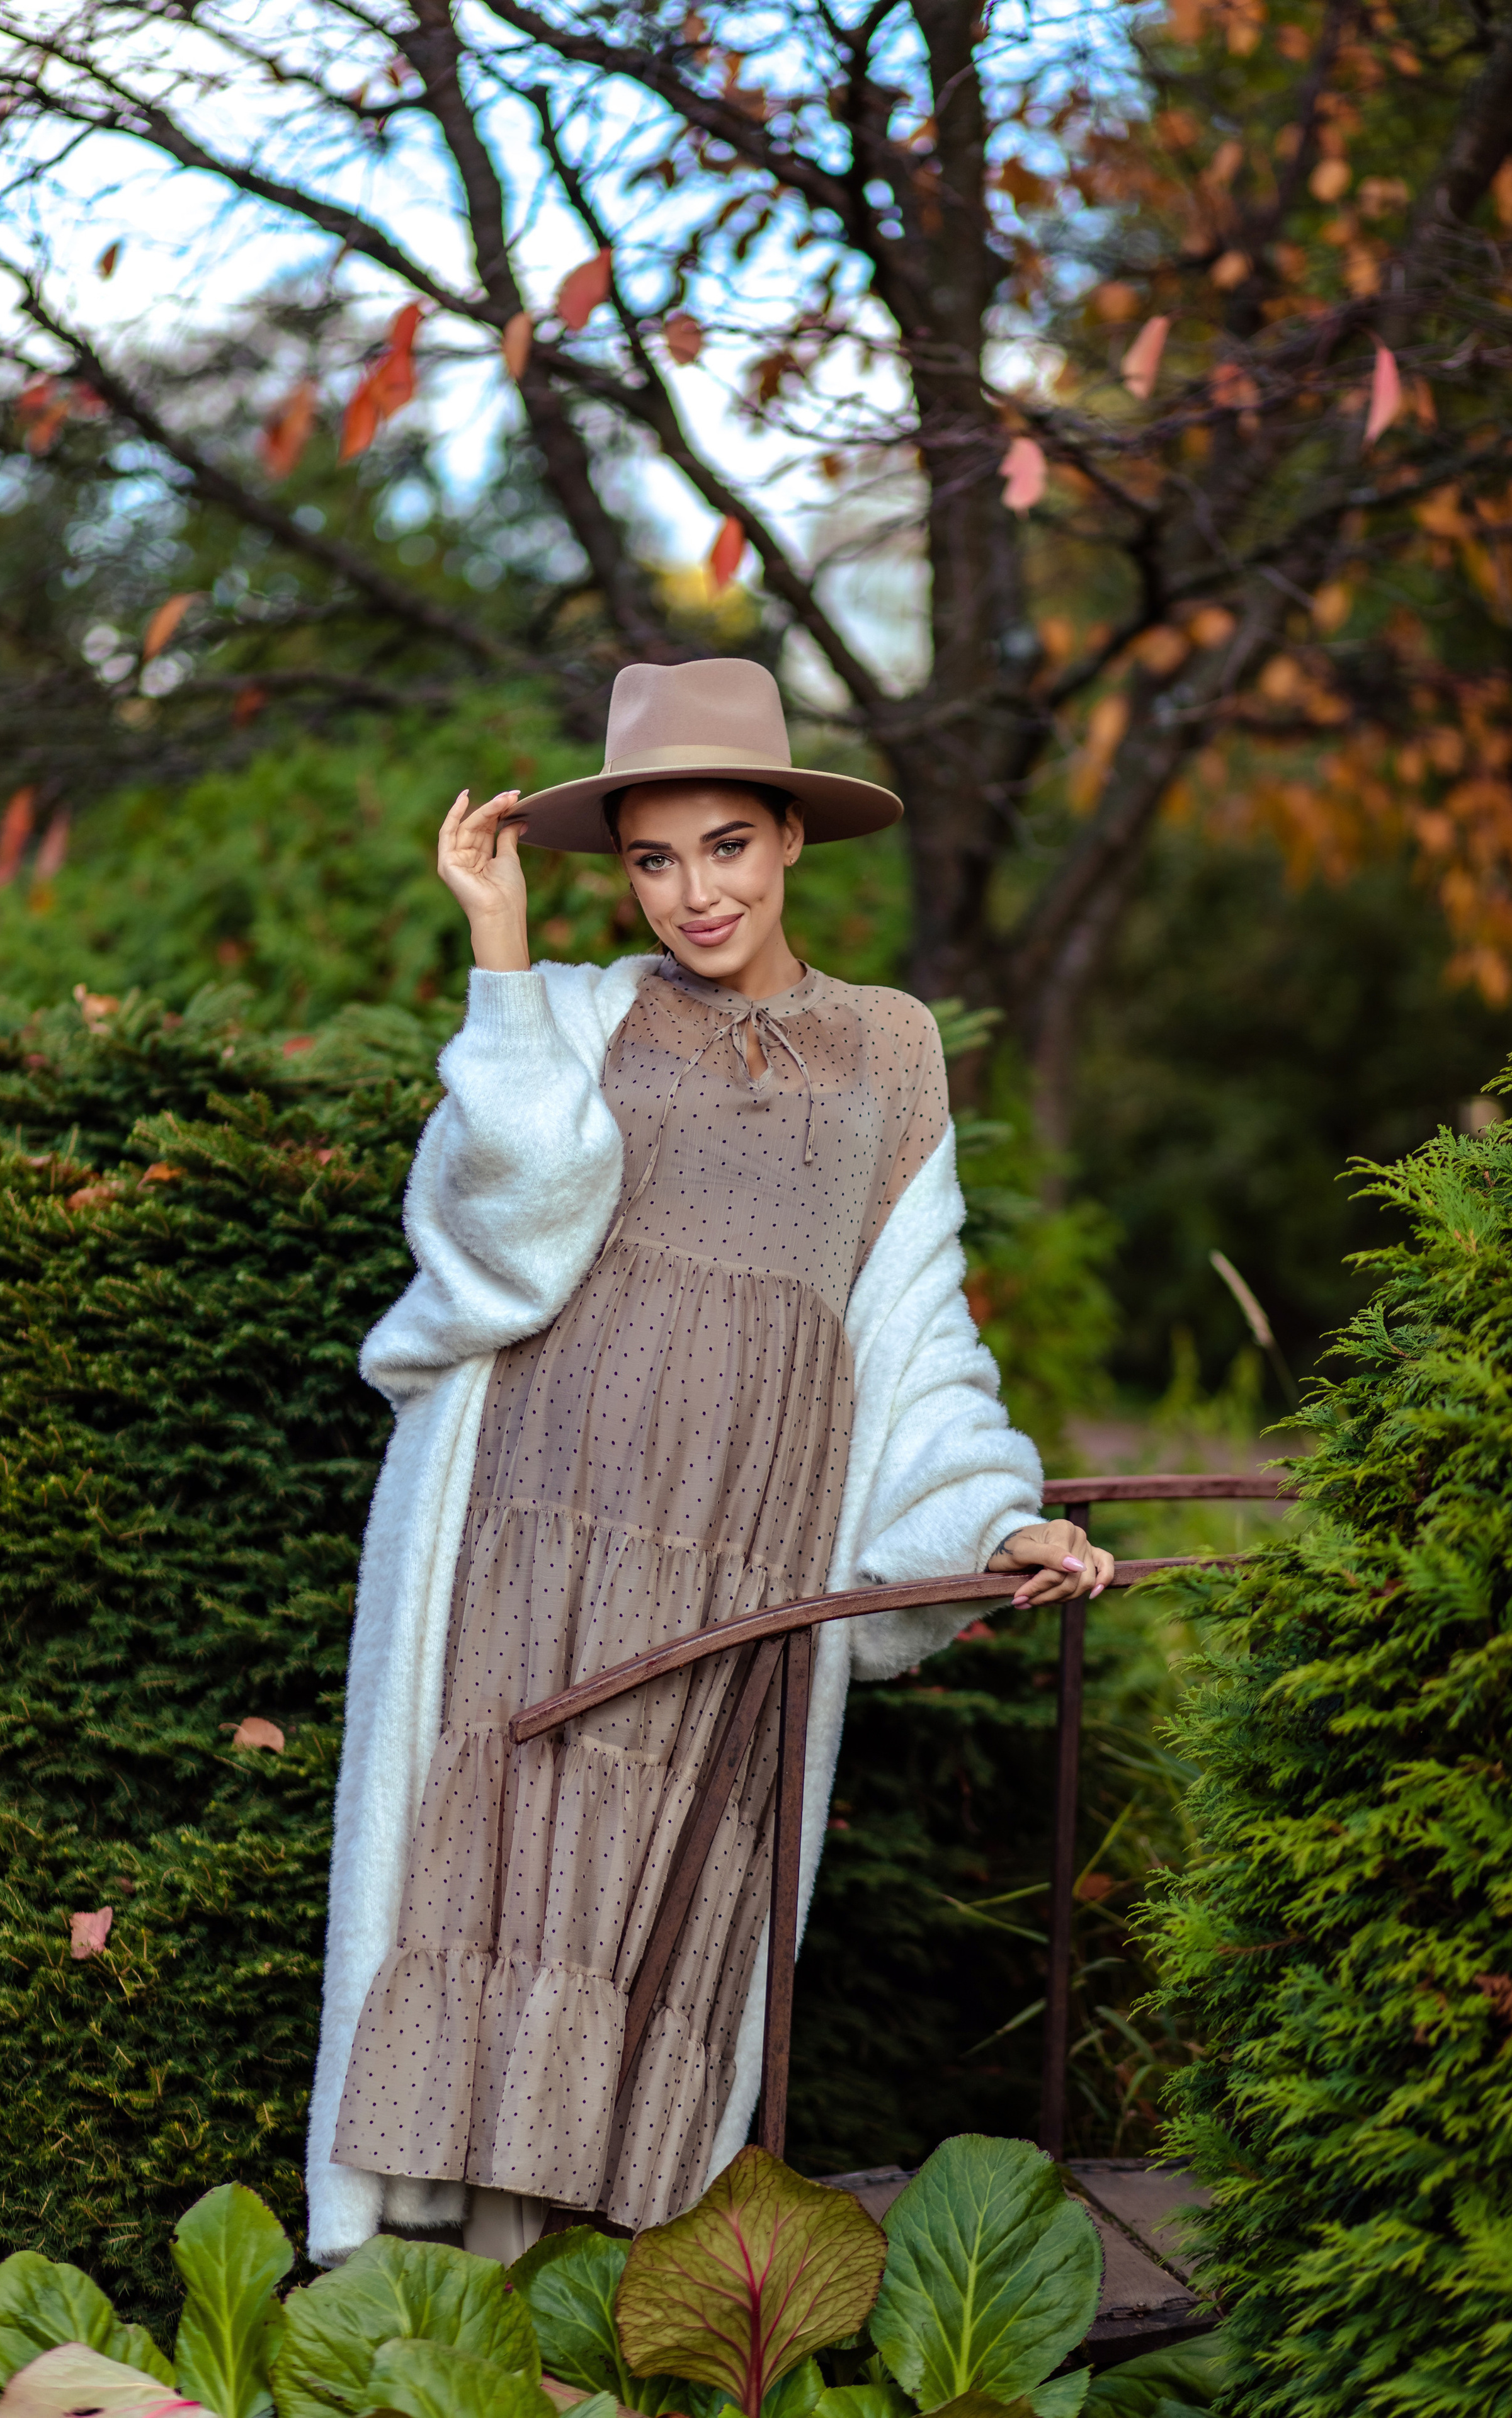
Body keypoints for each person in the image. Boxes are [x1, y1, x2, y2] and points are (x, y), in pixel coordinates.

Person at [305, 657, 1113, 2266]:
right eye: (654, 859)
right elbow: (499, 1222)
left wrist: (992, 1516)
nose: (692, 893)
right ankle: (455, 2318)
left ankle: (588, 2307)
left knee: (671, 1900)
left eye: (727, 845)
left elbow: (910, 1329)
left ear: (792, 840)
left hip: (746, 1541)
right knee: (502, 1863)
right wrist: (500, 948)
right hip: (540, 1512)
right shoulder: (590, 1011)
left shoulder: (889, 1051)